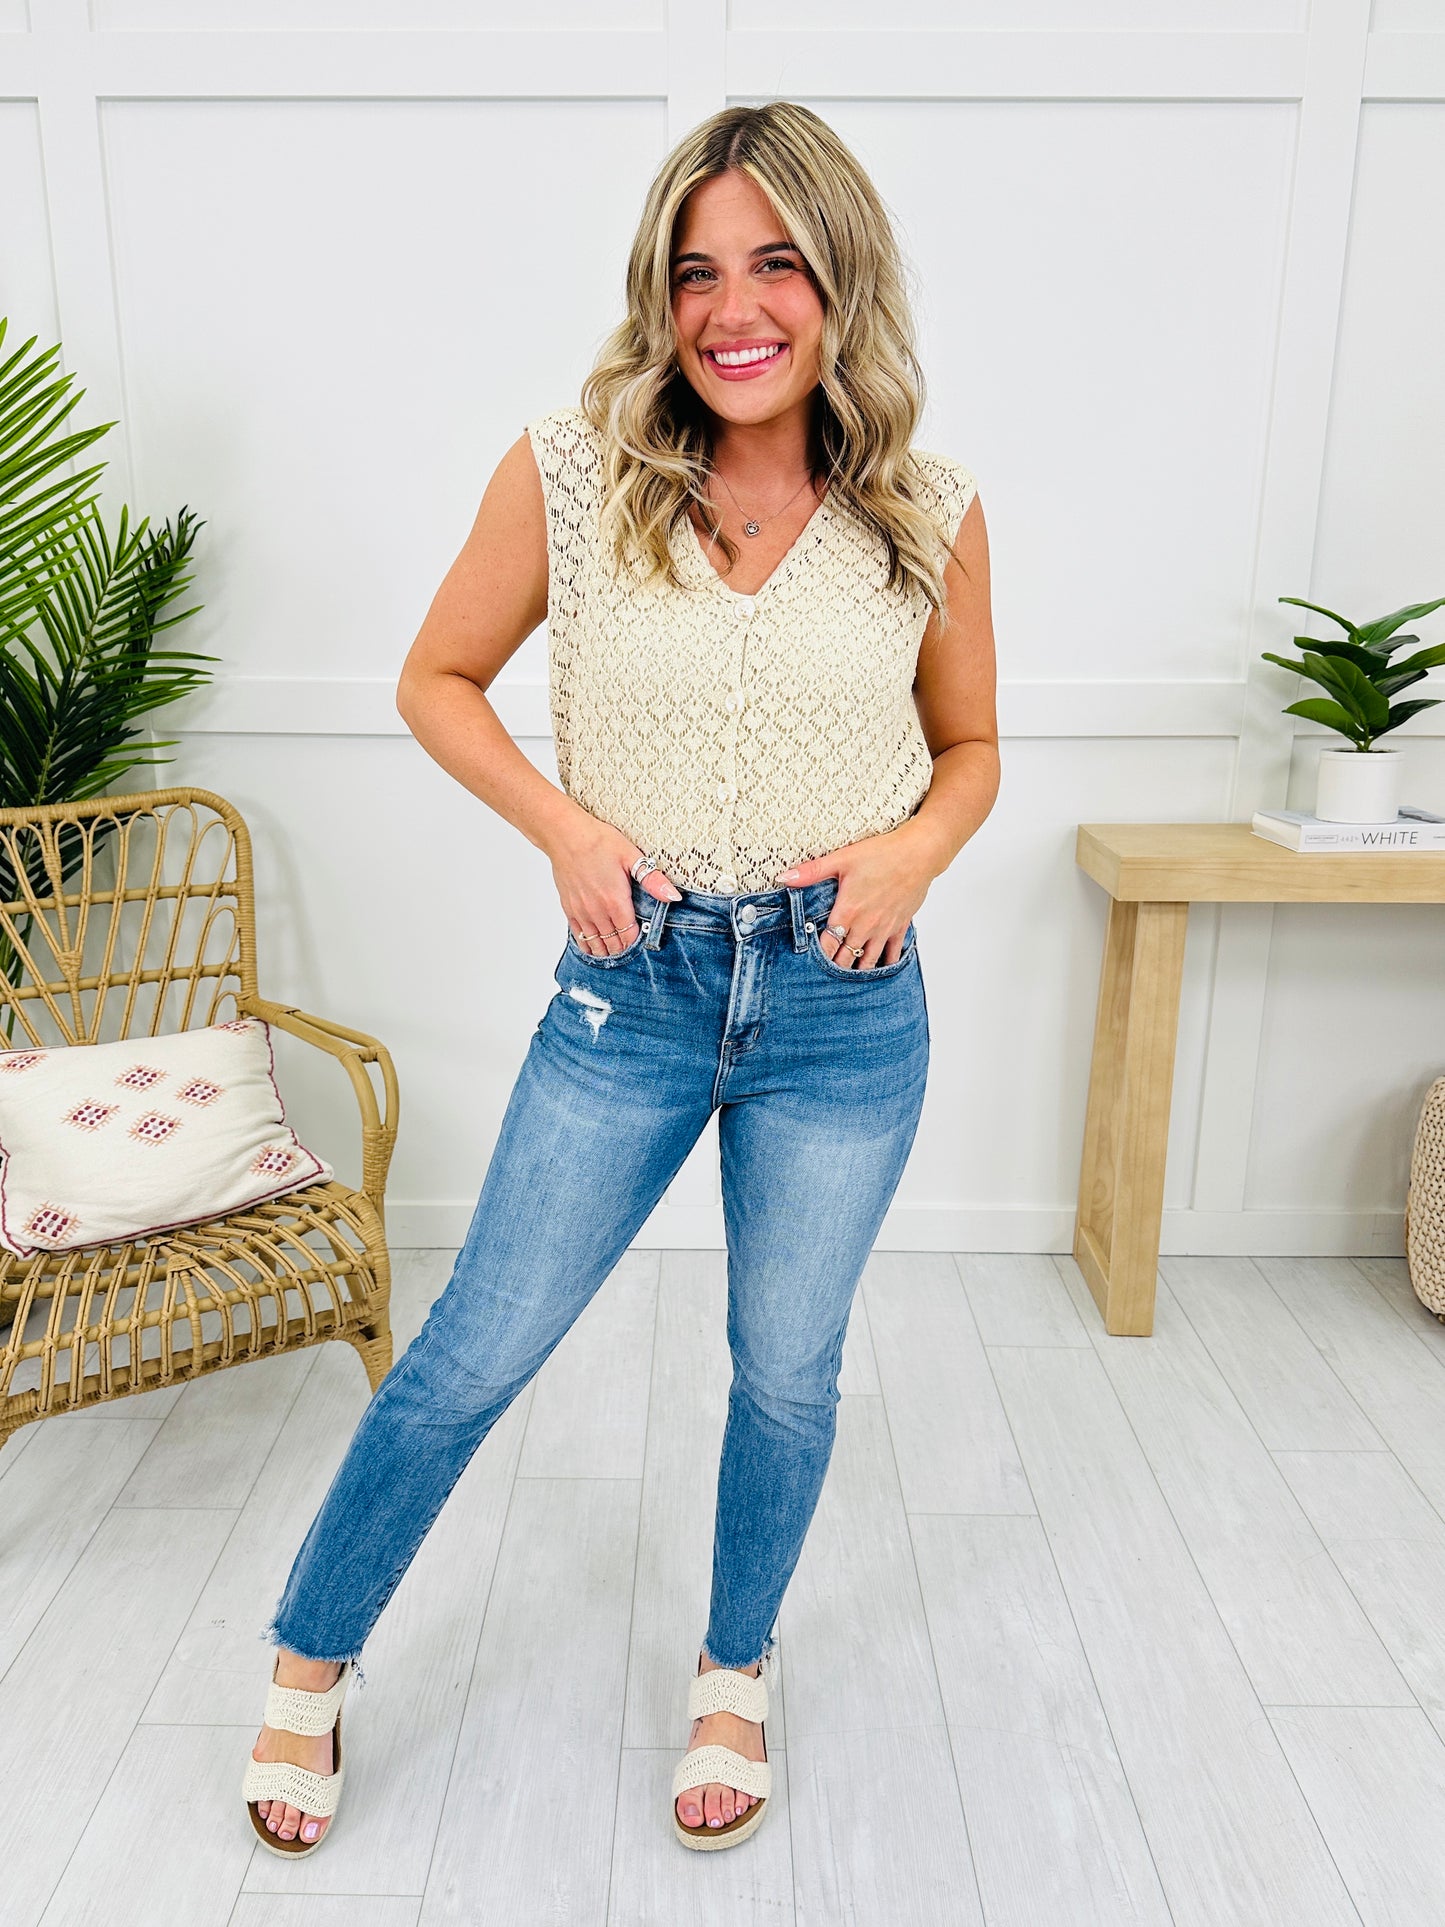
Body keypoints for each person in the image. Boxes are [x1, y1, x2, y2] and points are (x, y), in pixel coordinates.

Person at [243, 98, 998, 1859]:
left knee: (785, 1372)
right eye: (694, 272)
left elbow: (969, 752)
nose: (732, 309)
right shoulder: (574, 473)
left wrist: (913, 853)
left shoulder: (928, 509)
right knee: (470, 1353)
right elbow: (435, 677)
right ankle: (306, 1661)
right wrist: (566, 832)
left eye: (775, 265)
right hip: (630, 994)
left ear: (840, 282)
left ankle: (735, 1669)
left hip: (842, 1006)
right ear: (659, 296)